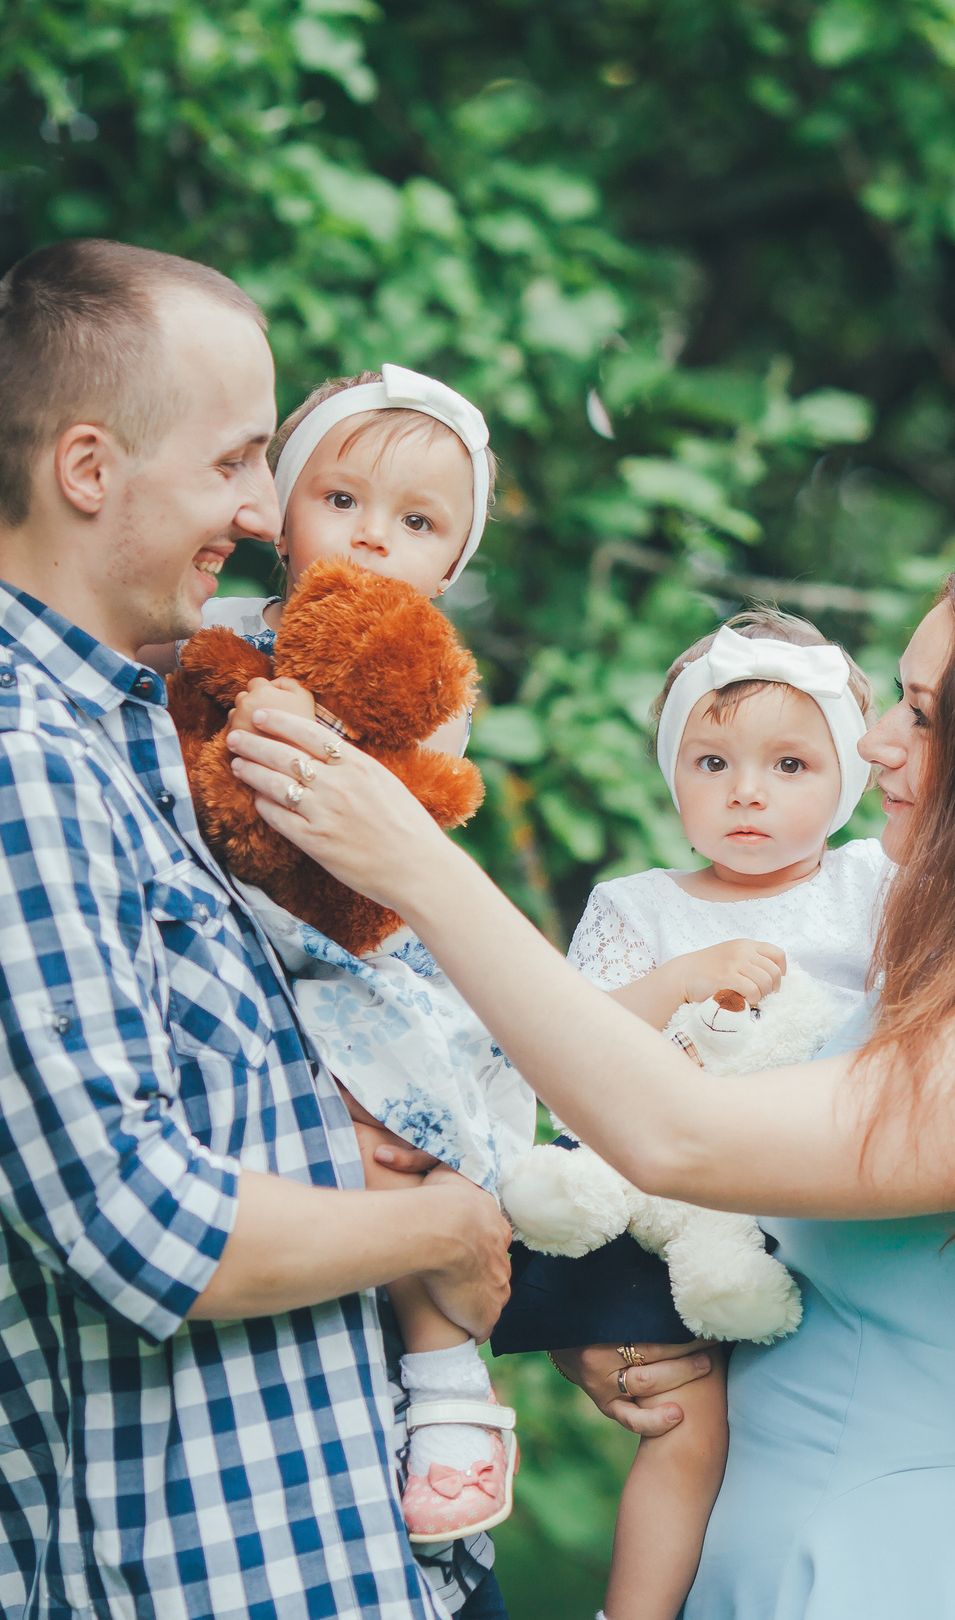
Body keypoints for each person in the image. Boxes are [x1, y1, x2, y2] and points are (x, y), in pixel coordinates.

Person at [222, 538, 955, 1620]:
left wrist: (418, 868)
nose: (876, 739)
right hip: (780, 1570)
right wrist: (628, 1326)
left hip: (886, 1611)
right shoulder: (949, 993)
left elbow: (679, 1135)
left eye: (922, 717)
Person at [0, 238, 519, 1620]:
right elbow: (145, 1218)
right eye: (235, 463)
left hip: (365, 1595)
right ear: (89, 465)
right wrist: (439, 1230)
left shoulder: (166, 728)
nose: (266, 512)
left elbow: (348, 1088)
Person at [182, 364, 535, 1548]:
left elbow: (405, 789)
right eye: (341, 499)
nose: (374, 535)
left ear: (449, 564)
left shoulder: (424, 673)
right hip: (247, 947)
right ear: (278, 512)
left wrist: (303, 726)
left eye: (419, 522)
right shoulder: (219, 637)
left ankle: (448, 1395)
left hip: (355, 949)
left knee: (397, 1137)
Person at [524, 609, 887, 1620]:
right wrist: (682, 981)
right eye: (712, 761)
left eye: (788, 765)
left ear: (846, 780)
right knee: (689, 1423)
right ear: (672, 771)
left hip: (827, 1194)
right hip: (674, 1202)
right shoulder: (641, 906)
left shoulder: (870, 888)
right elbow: (573, 1047)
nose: (746, 792)